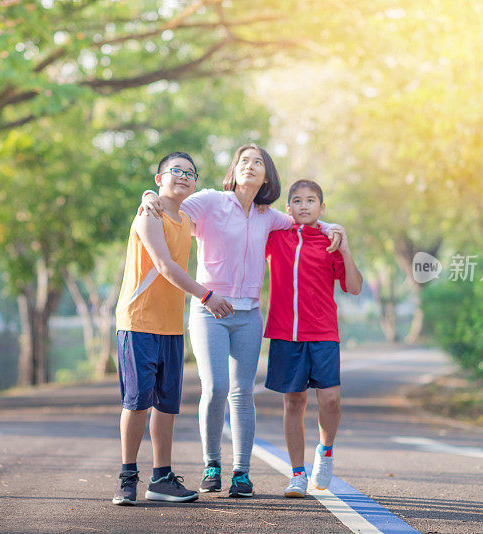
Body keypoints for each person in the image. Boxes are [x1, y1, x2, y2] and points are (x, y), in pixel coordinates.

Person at [139, 144, 343, 498]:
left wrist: (331, 226)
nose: (251, 166)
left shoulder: (269, 216)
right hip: (209, 310)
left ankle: (242, 474)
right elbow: (170, 202)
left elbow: (303, 220)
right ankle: (212, 464)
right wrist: (148, 194)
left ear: (267, 175)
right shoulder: (210, 201)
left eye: (258, 162)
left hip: (249, 314)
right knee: (216, 387)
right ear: (233, 170)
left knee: (242, 393)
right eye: (244, 161)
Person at [112, 152, 234, 506]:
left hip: (170, 327)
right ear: (158, 178)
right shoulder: (148, 216)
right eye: (175, 171)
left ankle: (162, 478)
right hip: (138, 322)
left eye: (190, 173)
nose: (183, 176)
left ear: (195, 184)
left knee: (166, 404)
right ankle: (127, 476)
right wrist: (207, 295)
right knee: (137, 402)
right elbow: (164, 266)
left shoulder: (184, 220)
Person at [263, 179, 363, 498]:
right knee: (294, 401)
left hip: (322, 331)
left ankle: (326, 451)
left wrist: (344, 245)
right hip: (284, 332)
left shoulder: (330, 240)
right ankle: (296, 474)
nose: (303, 205)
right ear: (288, 207)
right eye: (297, 200)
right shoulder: (276, 236)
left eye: (310, 200)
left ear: (322, 206)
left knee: (330, 399)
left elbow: (355, 286)